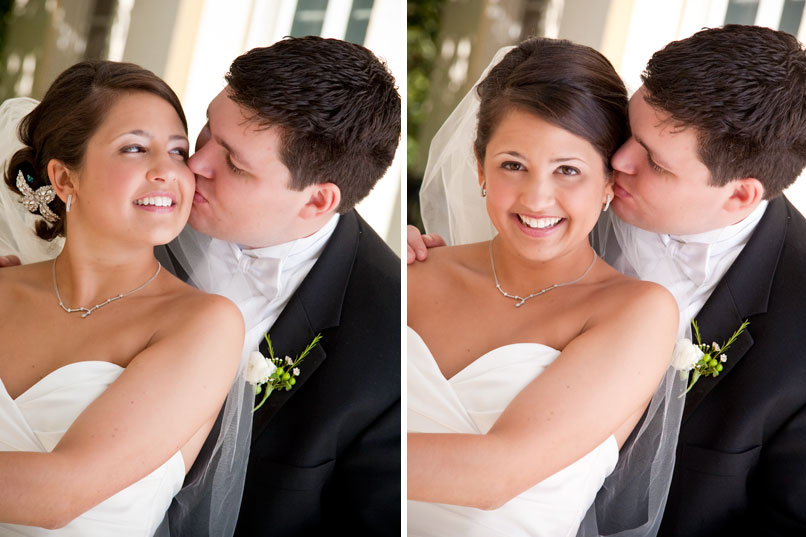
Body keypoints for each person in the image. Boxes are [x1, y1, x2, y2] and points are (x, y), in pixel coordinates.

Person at [410, 25, 806, 536]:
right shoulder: (564, 199)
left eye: (655, 163)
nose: (617, 162)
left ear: (738, 196)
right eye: (629, 134)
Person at [0, 37, 402, 536]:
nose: (189, 167)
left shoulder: (392, 336)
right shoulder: (147, 210)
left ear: (317, 201)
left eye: (234, 163)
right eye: (205, 131)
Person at [407, 37, 682, 536]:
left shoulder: (636, 311)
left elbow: (493, 476)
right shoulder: (412, 272)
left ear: (607, 183)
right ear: (479, 168)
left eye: (568, 171)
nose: (537, 198)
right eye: (513, 164)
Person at [0, 61, 245, 536]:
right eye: (135, 148)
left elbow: (58, 496)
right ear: (65, 179)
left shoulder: (203, 323)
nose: (167, 172)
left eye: (178, 151)